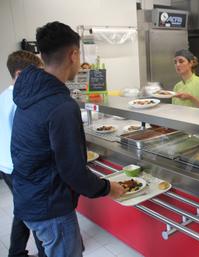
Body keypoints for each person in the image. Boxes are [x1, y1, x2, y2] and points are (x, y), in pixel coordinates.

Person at [10, 21, 126, 257]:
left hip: (28, 195)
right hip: (50, 206)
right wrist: (107, 188)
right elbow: (73, 172)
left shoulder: (29, 90)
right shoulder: (61, 105)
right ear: (74, 54)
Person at [0, 50, 46, 257]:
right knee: (35, 211)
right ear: (20, 74)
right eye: (36, 73)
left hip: (5, 164)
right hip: (17, 166)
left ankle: (16, 253)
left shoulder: (4, 96)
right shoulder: (20, 100)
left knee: (22, 209)